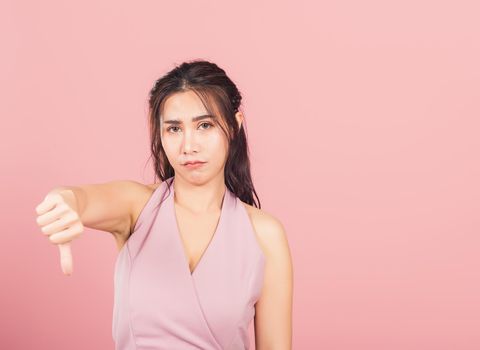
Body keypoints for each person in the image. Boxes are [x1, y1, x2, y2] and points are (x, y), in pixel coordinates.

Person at [35, 59, 293, 349]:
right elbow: (83, 199)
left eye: (205, 125)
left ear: (234, 126)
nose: (188, 146)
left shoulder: (265, 234)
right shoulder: (138, 207)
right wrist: (63, 201)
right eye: (174, 129)